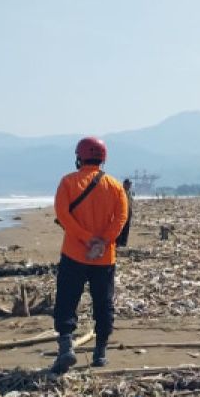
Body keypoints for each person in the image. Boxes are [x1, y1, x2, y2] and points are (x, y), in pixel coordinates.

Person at [51, 137, 129, 372]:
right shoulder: (115, 186)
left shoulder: (68, 182)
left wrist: (86, 238)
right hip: (105, 257)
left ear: (79, 157)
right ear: (102, 159)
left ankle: (66, 347)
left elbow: (62, 214)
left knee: (66, 300)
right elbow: (121, 218)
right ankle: (100, 352)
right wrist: (103, 242)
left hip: (74, 253)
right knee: (103, 303)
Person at [116, 178, 133, 248]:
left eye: (130, 184)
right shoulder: (121, 191)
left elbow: (130, 202)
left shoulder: (129, 192)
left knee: (126, 227)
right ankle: (119, 243)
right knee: (121, 227)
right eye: (128, 184)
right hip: (123, 212)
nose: (129, 186)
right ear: (124, 184)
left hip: (129, 211)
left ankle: (124, 243)